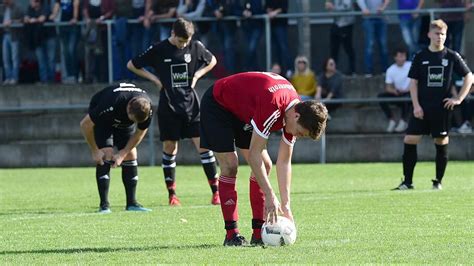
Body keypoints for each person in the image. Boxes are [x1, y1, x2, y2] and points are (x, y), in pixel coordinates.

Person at [200, 71, 328, 246]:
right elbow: (253, 155)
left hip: (242, 110)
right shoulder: (274, 106)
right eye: (299, 132)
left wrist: (286, 205)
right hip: (218, 104)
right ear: (296, 116)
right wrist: (269, 194)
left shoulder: (294, 111)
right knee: (230, 165)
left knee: (266, 165)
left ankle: (258, 233)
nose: (296, 135)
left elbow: (284, 161)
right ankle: (232, 235)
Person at [127, 18, 219, 206]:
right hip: (169, 107)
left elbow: (212, 60)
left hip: (192, 105)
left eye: (186, 41)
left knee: (204, 147)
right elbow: (132, 64)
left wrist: (198, 75)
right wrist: (155, 79)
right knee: (170, 148)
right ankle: (172, 195)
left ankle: (216, 193)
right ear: (172, 33)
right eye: (180, 41)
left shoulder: (195, 47)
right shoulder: (159, 49)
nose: (183, 45)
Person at [393, 19, 473, 191]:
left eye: (443, 34)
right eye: (437, 33)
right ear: (429, 34)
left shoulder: (451, 56)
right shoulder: (420, 56)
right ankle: (407, 182)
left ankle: (438, 181)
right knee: (410, 139)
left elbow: (469, 77)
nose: (440, 37)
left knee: (441, 141)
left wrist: (458, 99)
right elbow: (413, 83)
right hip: (422, 107)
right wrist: (416, 106)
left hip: (442, 109)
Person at [79, 82, 153, 213]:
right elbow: (85, 125)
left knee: (131, 154)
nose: (134, 123)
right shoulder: (110, 103)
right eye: (132, 119)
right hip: (105, 120)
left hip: (123, 123)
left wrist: (123, 154)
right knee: (106, 154)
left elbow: (140, 132)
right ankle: (104, 205)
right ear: (129, 107)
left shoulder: (147, 108)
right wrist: (95, 150)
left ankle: (132, 203)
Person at [377, 47, 412, 133]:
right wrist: (394, 91)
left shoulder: (411, 65)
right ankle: (391, 120)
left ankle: (403, 121)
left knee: (407, 97)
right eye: (399, 56)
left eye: (403, 56)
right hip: (398, 93)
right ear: (395, 57)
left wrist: (408, 89)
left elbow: (417, 81)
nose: (402, 58)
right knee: (381, 97)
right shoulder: (390, 70)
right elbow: (388, 87)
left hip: (410, 92)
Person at [24, 0, 57, 84]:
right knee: (41, 60)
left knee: (51, 59)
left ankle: (51, 80)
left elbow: (43, 18)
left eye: (32, 1)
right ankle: (44, 80)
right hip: (38, 38)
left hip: (49, 36)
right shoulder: (30, 8)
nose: (30, 2)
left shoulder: (45, 5)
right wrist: (27, 18)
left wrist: (34, 20)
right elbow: (26, 17)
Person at [50, 0, 80, 83]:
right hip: (63, 26)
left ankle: (75, 74)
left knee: (71, 50)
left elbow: (76, 6)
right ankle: (70, 75)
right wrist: (52, 16)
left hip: (73, 27)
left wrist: (75, 18)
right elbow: (56, 8)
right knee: (65, 52)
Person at [357, 0, 390, 76]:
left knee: (383, 45)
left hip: (381, 18)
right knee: (370, 45)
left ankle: (385, 71)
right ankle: (368, 71)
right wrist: (364, 9)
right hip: (368, 18)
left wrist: (383, 7)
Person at [325, 0, 356, 75]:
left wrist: (333, 8)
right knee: (334, 49)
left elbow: (347, 6)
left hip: (346, 24)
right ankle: (333, 70)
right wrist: (328, 6)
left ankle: (352, 70)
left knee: (348, 48)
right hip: (336, 24)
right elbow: (329, 5)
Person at [266, 0, 292, 77]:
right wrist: (269, 11)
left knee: (283, 47)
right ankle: (278, 70)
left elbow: (284, 7)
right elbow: (266, 6)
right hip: (272, 24)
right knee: (275, 49)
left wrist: (275, 12)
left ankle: (289, 69)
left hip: (280, 24)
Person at [2, 0, 23, 85]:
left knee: (14, 58)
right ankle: (8, 77)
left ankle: (15, 78)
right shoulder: (3, 8)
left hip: (14, 36)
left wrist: (12, 22)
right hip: (5, 35)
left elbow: (22, 19)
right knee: (5, 58)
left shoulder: (17, 7)